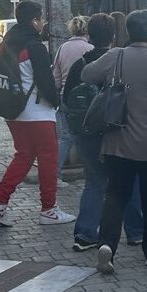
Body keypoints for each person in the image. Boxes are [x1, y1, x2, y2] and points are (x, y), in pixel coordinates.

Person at [82, 10, 147, 273]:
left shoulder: (116, 56)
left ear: (128, 31)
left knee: (115, 194)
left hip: (119, 140)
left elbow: (87, 75)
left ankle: (107, 245)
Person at [0, 1, 75, 227]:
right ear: (34, 21)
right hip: (38, 113)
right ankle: (48, 209)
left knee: (23, 156)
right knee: (48, 160)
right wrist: (57, 103)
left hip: (13, 112)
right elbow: (46, 81)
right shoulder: (35, 46)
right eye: (41, 18)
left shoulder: (5, 44)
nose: (43, 22)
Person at [63, 14, 143, 251]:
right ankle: (136, 231)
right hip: (115, 131)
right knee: (128, 180)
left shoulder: (81, 63)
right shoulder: (119, 61)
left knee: (95, 182)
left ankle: (85, 233)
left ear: (89, 34)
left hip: (85, 132)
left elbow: (67, 97)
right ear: (114, 36)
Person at [53, 16, 93, 177]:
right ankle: (91, 170)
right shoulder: (90, 48)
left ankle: (54, 173)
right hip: (85, 100)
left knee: (65, 137)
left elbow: (56, 76)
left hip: (65, 96)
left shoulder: (63, 48)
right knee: (87, 137)